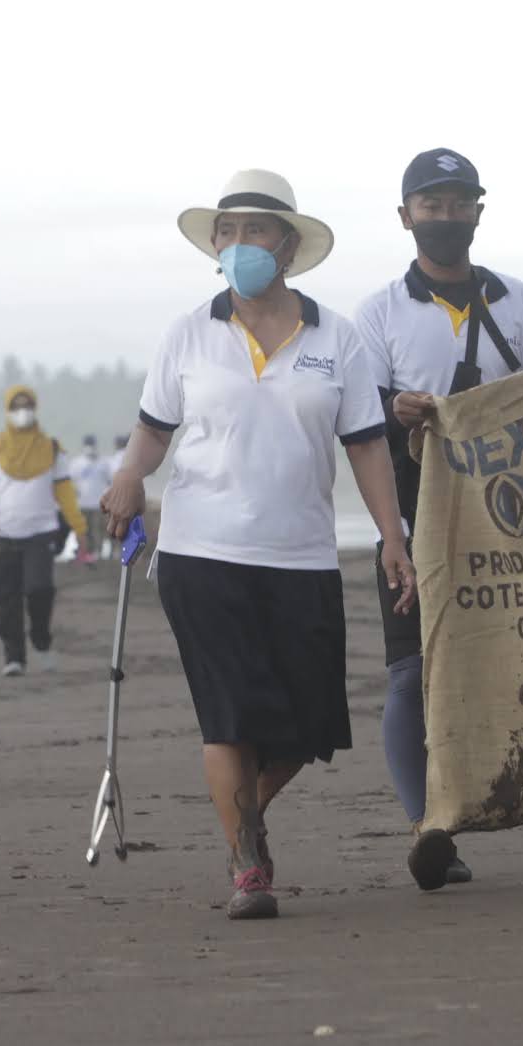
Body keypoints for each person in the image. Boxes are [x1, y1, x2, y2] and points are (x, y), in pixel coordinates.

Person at [106, 169, 411, 921]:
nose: (241, 244)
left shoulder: (335, 336)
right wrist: (125, 477)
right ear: (216, 245)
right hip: (200, 552)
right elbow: (154, 430)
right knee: (230, 715)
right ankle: (247, 861)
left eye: (256, 231)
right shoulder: (188, 333)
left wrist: (393, 535)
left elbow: (368, 447)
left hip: (301, 553)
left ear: (287, 245)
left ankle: (244, 817)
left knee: (307, 728)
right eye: (229, 231)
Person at [352, 147, 523, 891]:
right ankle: (431, 824)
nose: (444, 218)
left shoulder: (518, 301)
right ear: (405, 215)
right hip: (410, 518)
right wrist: (393, 408)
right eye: (430, 206)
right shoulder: (377, 314)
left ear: (479, 208)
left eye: (457, 204)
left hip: (507, 520)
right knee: (411, 672)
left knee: (499, 668)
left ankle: (483, 797)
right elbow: (356, 422)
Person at [0, 387, 88, 677]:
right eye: (17, 406)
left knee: (39, 590)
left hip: (41, 534)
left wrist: (80, 529)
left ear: (36, 409)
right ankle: (14, 657)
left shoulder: (53, 449)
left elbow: (66, 494)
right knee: (6, 598)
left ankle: (42, 640)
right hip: (0, 535)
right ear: (8, 411)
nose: (23, 411)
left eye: (28, 405)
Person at [68, 433, 109, 562]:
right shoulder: (76, 463)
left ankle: (97, 553)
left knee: (97, 530)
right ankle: (82, 552)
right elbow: (70, 483)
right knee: (82, 529)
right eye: (88, 445)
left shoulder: (103, 463)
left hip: (98, 504)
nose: (90, 447)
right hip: (81, 504)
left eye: (91, 445)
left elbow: (110, 481)